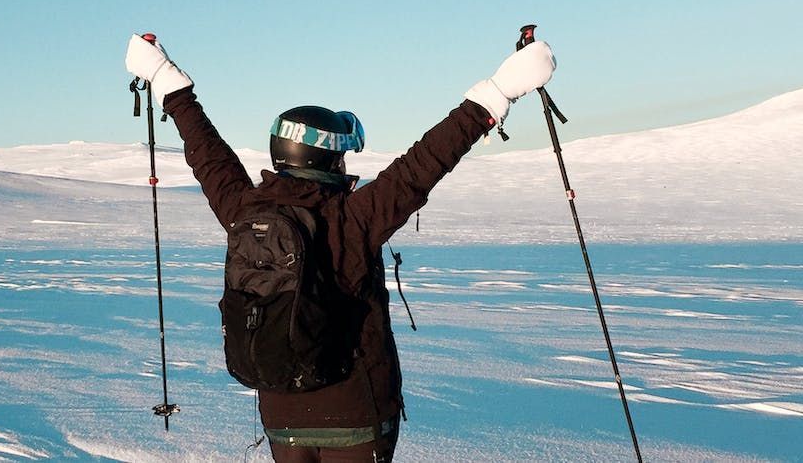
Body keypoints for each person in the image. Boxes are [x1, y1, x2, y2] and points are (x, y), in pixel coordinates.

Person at [124, 32, 556, 462]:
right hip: (355, 414)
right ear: (328, 161)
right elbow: (424, 163)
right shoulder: (354, 216)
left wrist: (165, 77)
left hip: (281, 415)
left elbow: (207, 152)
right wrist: (500, 91)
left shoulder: (243, 208)